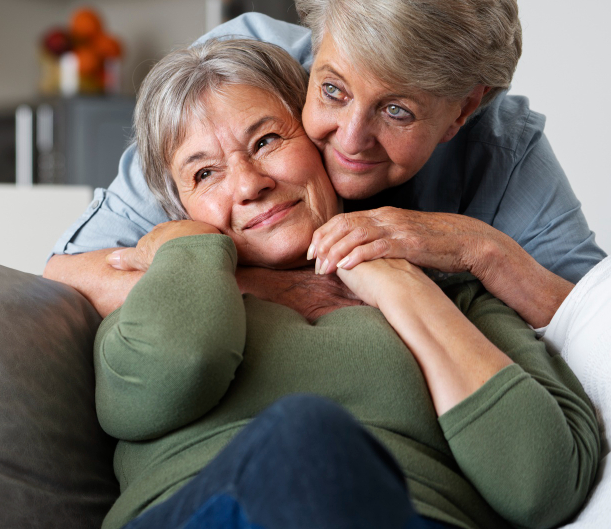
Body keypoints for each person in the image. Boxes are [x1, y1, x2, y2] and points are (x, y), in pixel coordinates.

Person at [94, 37, 600, 529]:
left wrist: (402, 285)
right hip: (208, 513)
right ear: (178, 206)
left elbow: (545, 487)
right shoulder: (156, 299)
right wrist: (187, 244)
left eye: (266, 141)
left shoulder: (462, 299)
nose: (249, 184)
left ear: (319, 142)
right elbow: (177, 370)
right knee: (306, 438)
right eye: (204, 175)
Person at [45, 0, 605, 327]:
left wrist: (478, 248)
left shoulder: (503, 149)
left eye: (397, 110)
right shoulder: (244, 84)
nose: (351, 139)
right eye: (333, 91)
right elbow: (68, 274)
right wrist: (261, 288)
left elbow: (595, 333)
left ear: (463, 110)